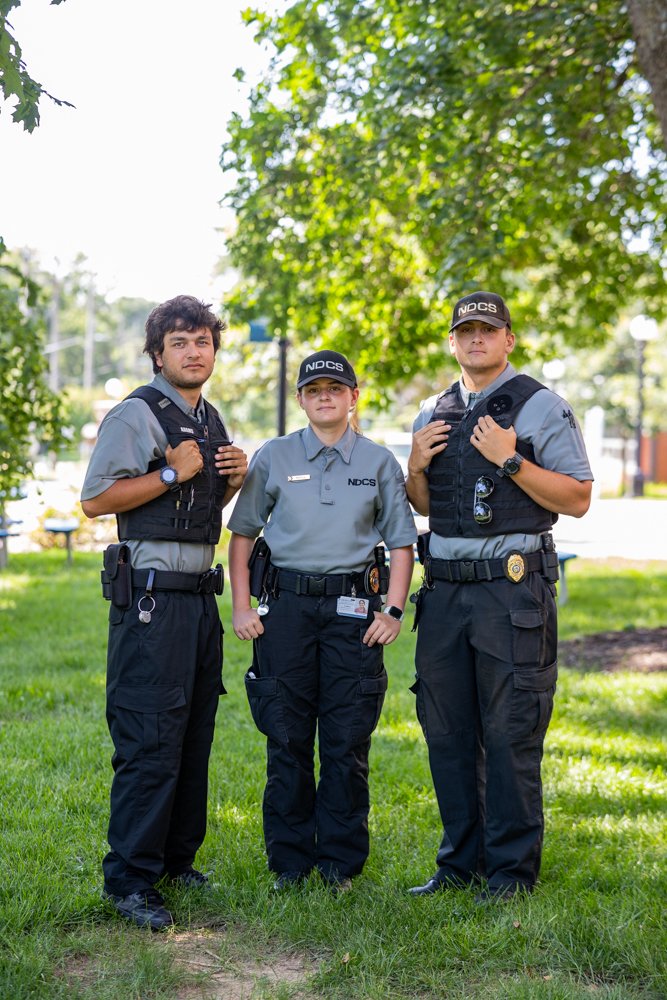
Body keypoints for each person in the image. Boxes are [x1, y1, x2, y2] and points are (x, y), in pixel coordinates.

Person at [406, 290, 593, 902]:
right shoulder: (431, 413)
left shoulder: (540, 406)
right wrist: (414, 469)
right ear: (454, 342)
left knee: (511, 730)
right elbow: (436, 507)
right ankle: (460, 863)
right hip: (445, 595)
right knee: (448, 729)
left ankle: (511, 873)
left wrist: (509, 460)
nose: (476, 339)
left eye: (488, 330)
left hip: (512, 595)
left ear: (508, 338)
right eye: (466, 331)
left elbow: (576, 498)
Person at [81, 295, 248, 930]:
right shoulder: (136, 414)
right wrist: (173, 476)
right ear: (158, 353)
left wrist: (230, 477)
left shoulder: (210, 417)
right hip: (150, 601)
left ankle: (176, 862)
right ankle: (129, 879)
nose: (193, 352)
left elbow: (206, 510)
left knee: (192, 735)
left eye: (203, 341)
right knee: (150, 738)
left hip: (197, 601)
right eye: (180, 342)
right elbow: (97, 499)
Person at [227, 350, 417, 892]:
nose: (325, 397)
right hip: (284, 608)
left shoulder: (379, 462)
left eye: (336, 388)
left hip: (353, 612)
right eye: (314, 391)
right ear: (302, 400)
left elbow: (402, 544)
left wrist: (394, 610)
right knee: (286, 736)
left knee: (346, 737)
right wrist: (243, 606)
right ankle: (289, 863)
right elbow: (242, 536)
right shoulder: (275, 455)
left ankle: (339, 866)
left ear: (354, 396)